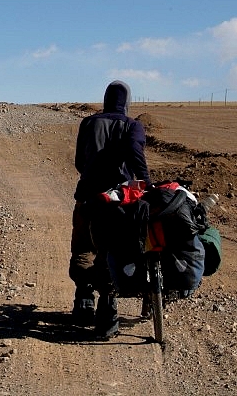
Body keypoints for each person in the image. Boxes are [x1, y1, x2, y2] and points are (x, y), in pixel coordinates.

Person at [69, 80, 151, 339]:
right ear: (127, 102)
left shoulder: (89, 123)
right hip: (119, 201)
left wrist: (92, 178)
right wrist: (145, 185)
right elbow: (136, 155)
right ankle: (107, 310)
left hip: (87, 196)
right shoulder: (133, 125)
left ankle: (83, 299)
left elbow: (79, 161)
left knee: (83, 246)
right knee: (112, 250)